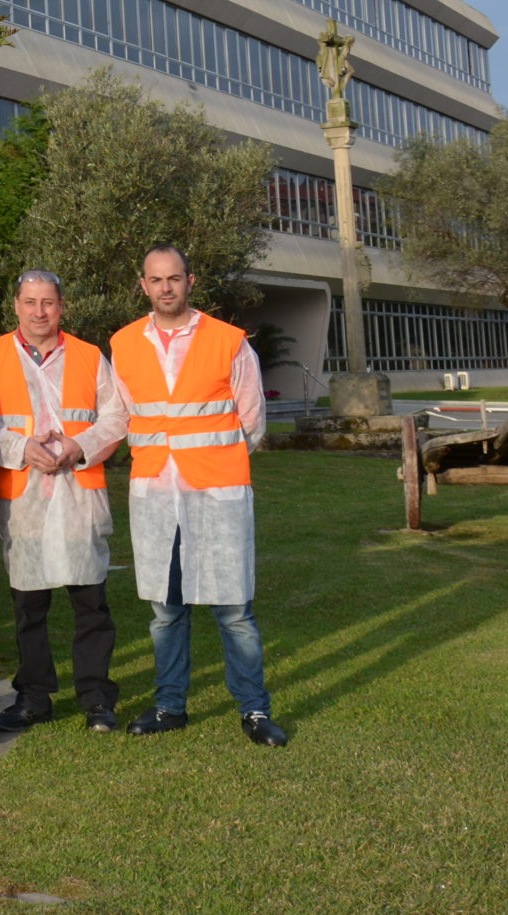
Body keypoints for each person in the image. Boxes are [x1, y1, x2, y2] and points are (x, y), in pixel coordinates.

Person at [112, 244, 287, 748]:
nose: (165, 287)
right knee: (167, 609)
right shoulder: (124, 344)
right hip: (156, 495)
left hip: (217, 490)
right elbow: (122, 415)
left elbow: (252, 422)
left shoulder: (230, 342)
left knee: (233, 608)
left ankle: (254, 711)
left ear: (190, 281)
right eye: (155, 279)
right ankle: (170, 707)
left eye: (174, 278)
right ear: (143, 285)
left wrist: (213, 461)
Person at [0, 270, 129, 734]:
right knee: (29, 606)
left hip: (78, 494)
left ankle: (97, 699)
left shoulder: (88, 356)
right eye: (30, 302)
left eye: (47, 303)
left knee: (90, 605)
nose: (38, 312)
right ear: (16, 305)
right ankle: (34, 697)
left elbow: (116, 416)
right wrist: (20, 447)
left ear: (60, 306)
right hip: (23, 496)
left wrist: (77, 447)